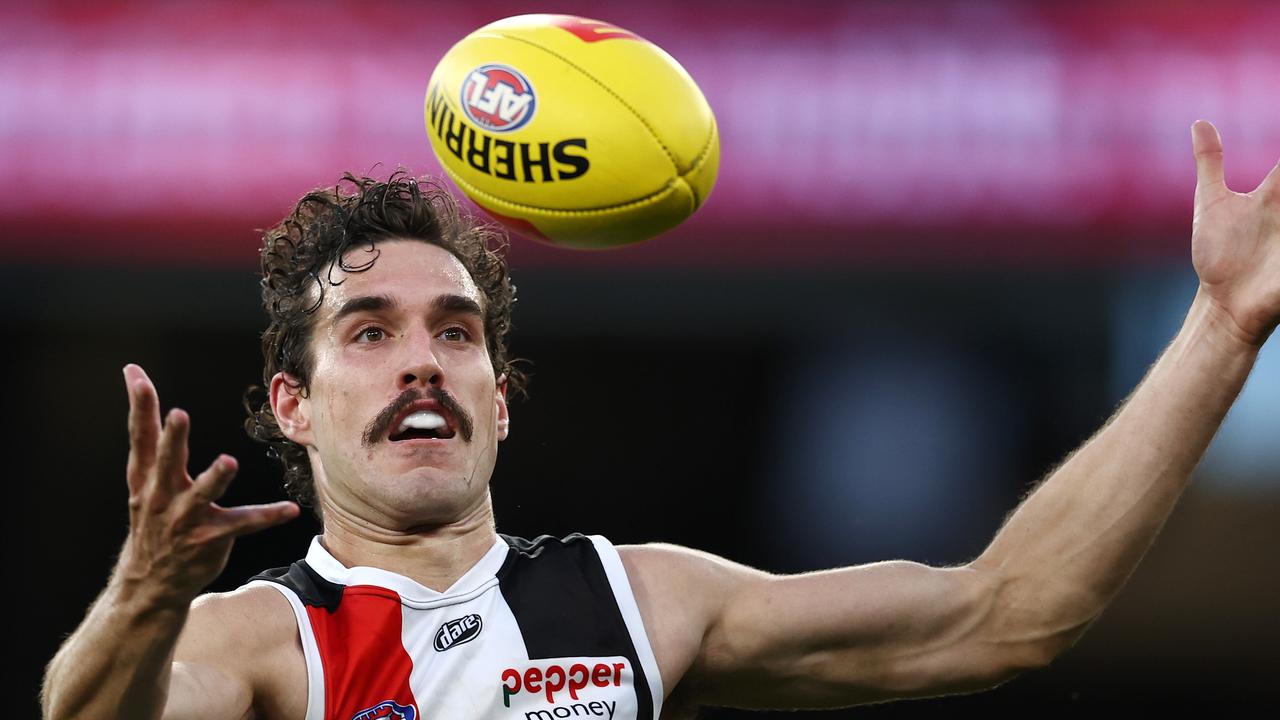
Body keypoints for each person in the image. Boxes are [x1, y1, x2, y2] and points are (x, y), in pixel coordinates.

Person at [41, 120, 1278, 720]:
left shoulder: (638, 604)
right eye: (370, 332)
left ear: (500, 401)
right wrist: (143, 598)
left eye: (456, 332)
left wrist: (1221, 327)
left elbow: (1009, 612)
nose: (421, 362)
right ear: (293, 410)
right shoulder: (257, 643)